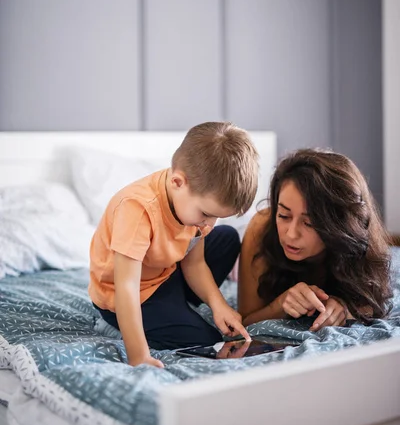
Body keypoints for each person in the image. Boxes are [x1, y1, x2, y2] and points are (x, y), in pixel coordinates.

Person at [89, 121, 259, 368]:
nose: (209, 223)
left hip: (164, 272)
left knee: (227, 237)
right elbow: (126, 286)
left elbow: (195, 262)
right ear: (178, 183)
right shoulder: (137, 209)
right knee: (206, 339)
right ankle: (119, 326)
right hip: (127, 294)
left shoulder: (190, 201)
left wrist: (219, 305)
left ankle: (178, 306)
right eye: (205, 214)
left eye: (215, 215)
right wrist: (138, 355)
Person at [238, 148, 393, 331]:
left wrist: (343, 307)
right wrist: (280, 306)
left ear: (339, 225)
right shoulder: (262, 227)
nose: (291, 235)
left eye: (309, 223)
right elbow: (246, 321)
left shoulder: (358, 246)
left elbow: (372, 305)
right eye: (284, 216)